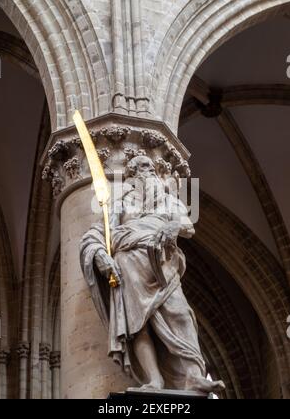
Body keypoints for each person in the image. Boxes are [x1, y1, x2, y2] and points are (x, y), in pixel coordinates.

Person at [80, 155, 225, 395]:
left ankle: (193, 376)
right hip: (128, 264)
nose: (150, 172)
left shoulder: (168, 201)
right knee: (138, 325)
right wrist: (100, 255)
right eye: (143, 168)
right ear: (133, 175)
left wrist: (173, 226)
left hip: (162, 265)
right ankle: (154, 379)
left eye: (151, 168)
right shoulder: (121, 203)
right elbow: (97, 234)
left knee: (181, 314)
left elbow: (187, 225)